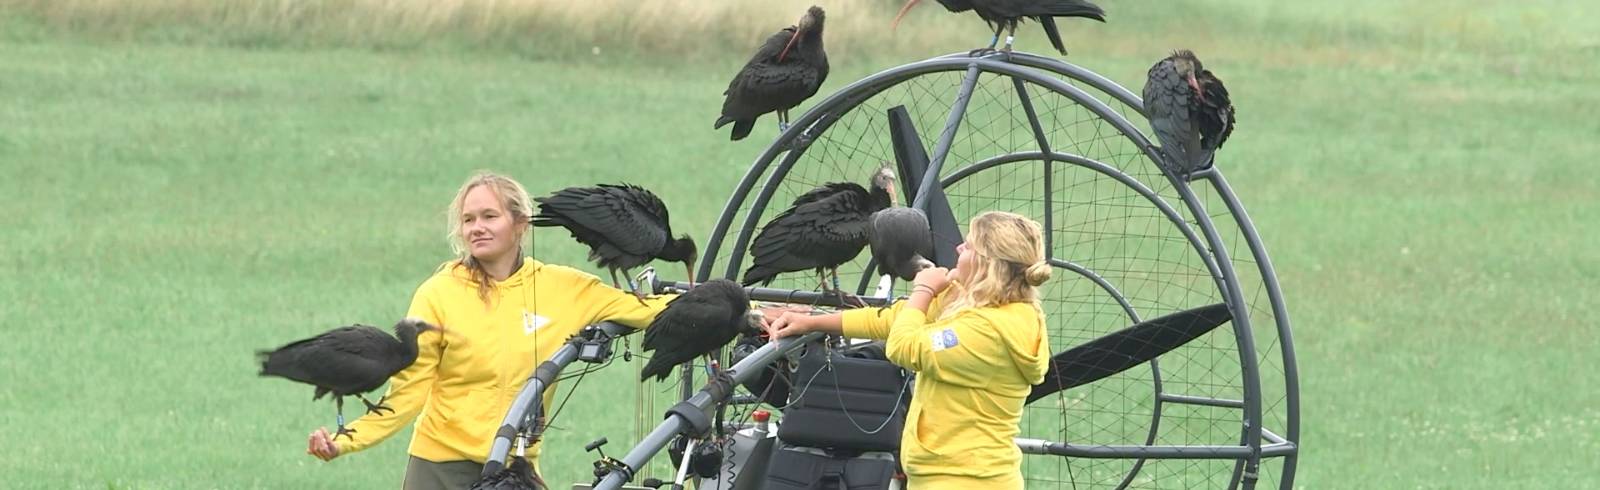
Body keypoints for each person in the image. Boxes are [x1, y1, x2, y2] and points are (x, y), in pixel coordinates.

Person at [304, 171, 674, 489]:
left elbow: (644, 311)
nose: (477, 228)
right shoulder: (439, 294)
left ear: (520, 223)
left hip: (516, 471)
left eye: (489, 216)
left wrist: (723, 302)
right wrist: (344, 441)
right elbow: (407, 392)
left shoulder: (566, 289)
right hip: (440, 469)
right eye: (468, 220)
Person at [767, 211, 1053, 489]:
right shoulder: (991, 306)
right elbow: (897, 319)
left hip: (963, 480)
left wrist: (924, 290)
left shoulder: (985, 331)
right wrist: (810, 322)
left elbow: (903, 347)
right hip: (950, 476)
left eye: (968, 246)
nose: (958, 248)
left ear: (986, 264)